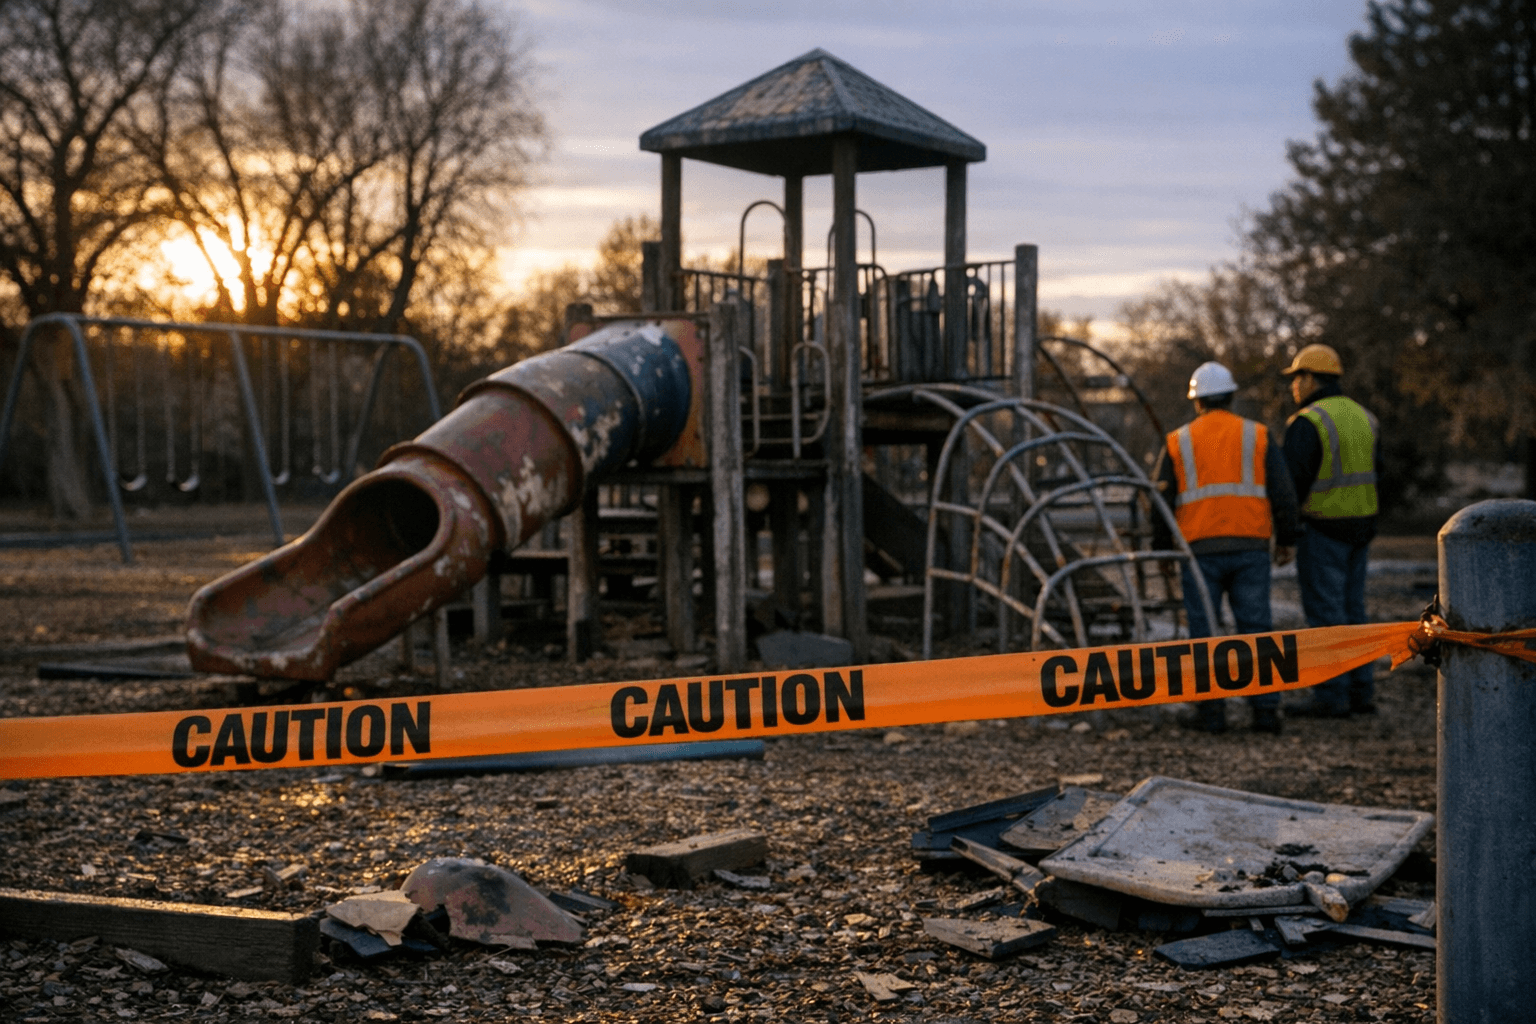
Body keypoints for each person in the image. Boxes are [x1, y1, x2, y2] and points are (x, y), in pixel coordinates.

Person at [1153, 361, 1298, 734]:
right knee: (1257, 630)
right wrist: (1286, 539)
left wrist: (1161, 549)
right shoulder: (1259, 435)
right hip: (1251, 546)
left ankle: (1211, 714)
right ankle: (1265, 713)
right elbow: (1283, 492)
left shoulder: (1177, 440)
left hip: (1197, 550)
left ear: (1196, 400)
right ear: (1231, 396)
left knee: (1204, 633)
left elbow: (1160, 501)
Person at [1280, 344, 1380, 718]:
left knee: (1325, 615)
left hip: (1323, 530)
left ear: (1309, 378)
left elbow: (1292, 485)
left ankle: (1330, 695)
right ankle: (1361, 692)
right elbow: (1378, 471)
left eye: (1295, 378)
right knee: (1355, 611)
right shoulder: (1365, 417)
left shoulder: (1309, 422)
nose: (1293, 387)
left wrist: (1286, 534)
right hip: (1361, 529)